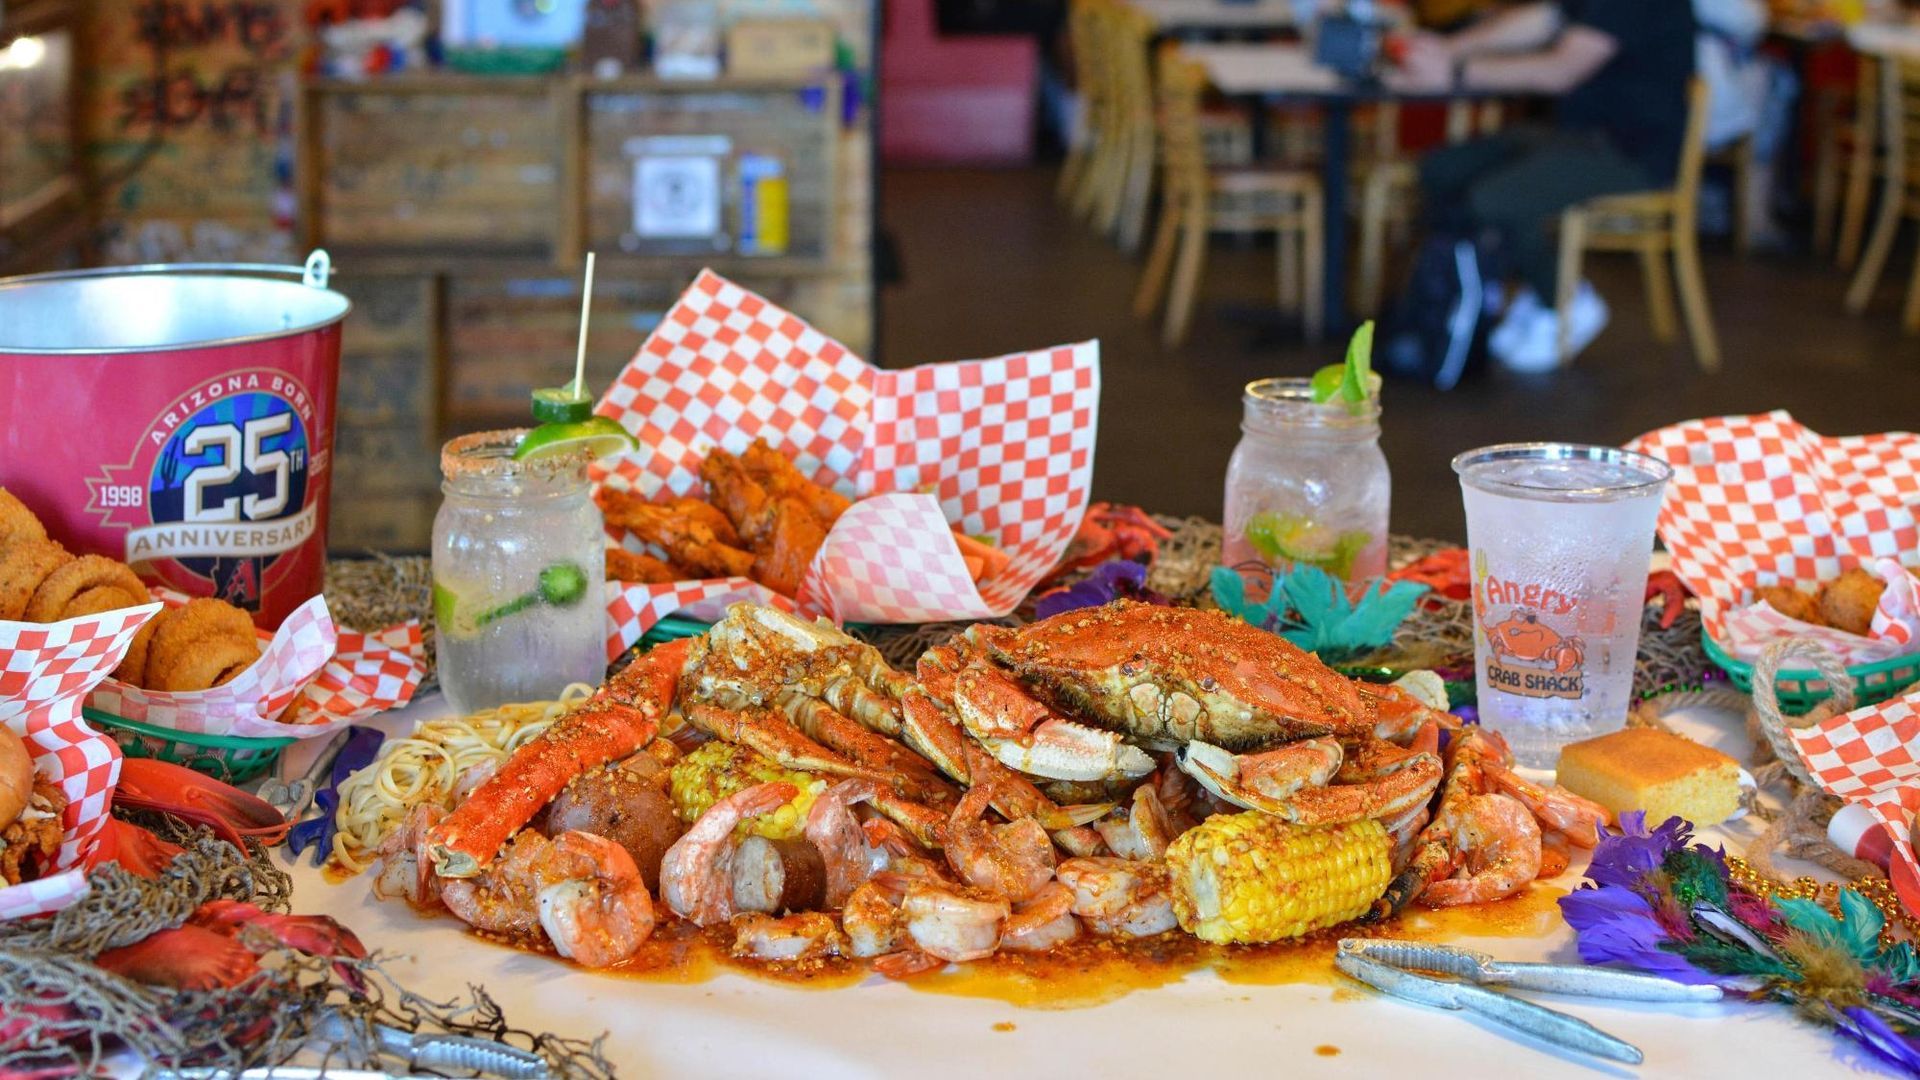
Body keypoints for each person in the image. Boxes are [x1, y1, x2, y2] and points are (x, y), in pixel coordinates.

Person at [1385, 0, 1698, 374]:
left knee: (1495, 199)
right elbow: (1544, 18)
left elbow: (1561, 70)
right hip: (1572, 136)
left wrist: (1455, 70)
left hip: (1629, 152)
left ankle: (1563, 299)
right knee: (1442, 169)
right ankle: (1479, 297)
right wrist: (1447, 48)